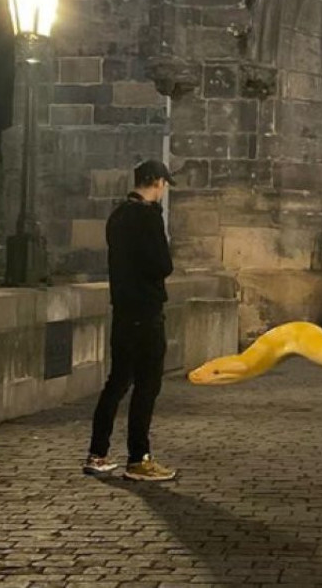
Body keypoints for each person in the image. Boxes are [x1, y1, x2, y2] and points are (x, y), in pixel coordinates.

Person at [82, 159, 179, 481]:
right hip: (146, 311)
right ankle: (139, 458)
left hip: (122, 311)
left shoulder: (117, 216)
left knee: (117, 382)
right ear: (155, 182)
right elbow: (162, 265)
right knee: (147, 386)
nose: (164, 191)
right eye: (163, 184)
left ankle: (97, 453)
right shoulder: (147, 218)